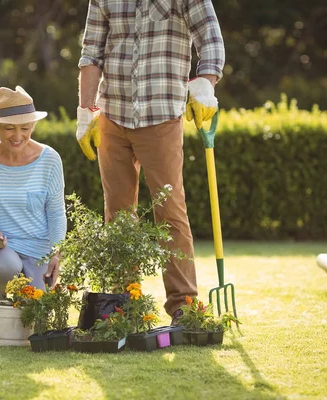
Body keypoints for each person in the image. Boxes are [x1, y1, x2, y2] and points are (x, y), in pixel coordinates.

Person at [76, 0, 225, 325]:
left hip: (162, 116)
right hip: (112, 114)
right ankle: (123, 302)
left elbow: (210, 37)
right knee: (117, 213)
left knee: (170, 209)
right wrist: (86, 110)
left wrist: (205, 83)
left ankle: (183, 305)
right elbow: (91, 53)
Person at [0, 86, 67, 300]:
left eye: (25, 128)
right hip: (1, 249)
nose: (18, 136)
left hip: (38, 249)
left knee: (35, 310)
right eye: (9, 128)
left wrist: (56, 251)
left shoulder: (50, 159)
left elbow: (57, 213)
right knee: (5, 267)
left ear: (34, 125)